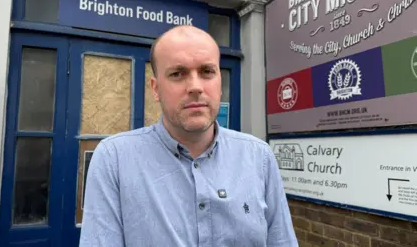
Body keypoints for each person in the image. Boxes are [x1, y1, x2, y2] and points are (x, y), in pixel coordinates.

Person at [79, 25, 298, 246]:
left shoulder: (259, 157)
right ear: (155, 89)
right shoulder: (114, 159)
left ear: (220, 82)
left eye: (207, 72)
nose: (195, 87)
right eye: (177, 74)